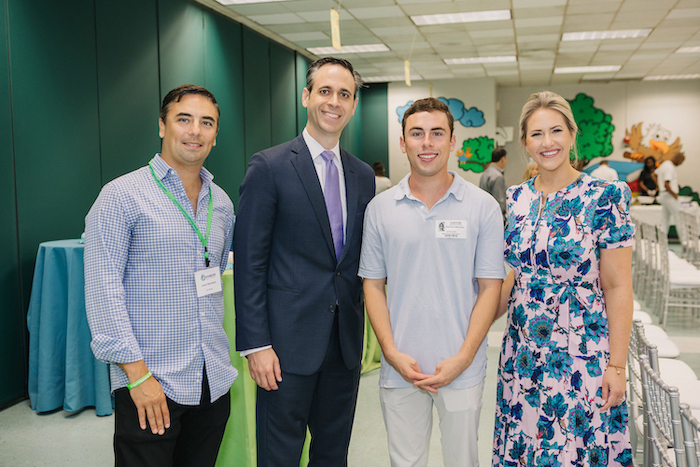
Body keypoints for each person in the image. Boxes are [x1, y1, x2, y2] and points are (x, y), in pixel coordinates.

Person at [84, 84, 236, 467]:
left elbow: (215, 273)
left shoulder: (221, 203)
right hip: (151, 384)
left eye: (207, 123)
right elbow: (103, 292)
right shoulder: (120, 196)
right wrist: (137, 378)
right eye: (184, 119)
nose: (195, 131)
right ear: (162, 126)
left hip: (211, 380)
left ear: (216, 135)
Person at [233, 57, 375, 466]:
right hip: (284, 347)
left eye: (344, 94)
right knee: (280, 456)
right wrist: (256, 345)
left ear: (353, 105)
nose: (334, 102)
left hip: (344, 346)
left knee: (333, 455)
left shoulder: (362, 175)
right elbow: (250, 263)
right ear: (305, 97)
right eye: (325, 91)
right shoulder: (270, 166)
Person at [360, 98, 505, 467]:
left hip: (461, 366)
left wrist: (464, 357)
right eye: (417, 134)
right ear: (402, 142)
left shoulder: (482, 207)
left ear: (452, 141)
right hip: (400, 368)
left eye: (437, 133)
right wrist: (390, 352)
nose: (427, 143)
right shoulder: (380, 210)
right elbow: (373, 286)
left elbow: (490, 288)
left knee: (462, 461)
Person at [492, 91, 635, 466]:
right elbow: (516, 276)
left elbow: (618, 286)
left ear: (572, 135)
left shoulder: (604, 197)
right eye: (536, 134)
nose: (547, 142)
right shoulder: (517, 198)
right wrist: (470, 325)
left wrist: (617, 365)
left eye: (556, 130)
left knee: (574, 449)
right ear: (525, 142)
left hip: (580, 353)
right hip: (523, 353)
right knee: (528, 445)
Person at [656, 152, 686, 237]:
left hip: (663, 194)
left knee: (665, 219)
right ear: (677, 158)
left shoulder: (665, 164)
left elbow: (654, 174)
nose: (681, 163)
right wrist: (674, 195)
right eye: (681, 161)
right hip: (669, 196)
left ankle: (662, 241)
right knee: (679, 217)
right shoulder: (669, 167)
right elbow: (666, 184)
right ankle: (684, 241)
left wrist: (659, 186)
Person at [479, 147, 508, 217]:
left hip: (484, 214)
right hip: (494, 216)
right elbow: (500, 201)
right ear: (503, 159)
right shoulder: (498, 177)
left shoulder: (484, 174)